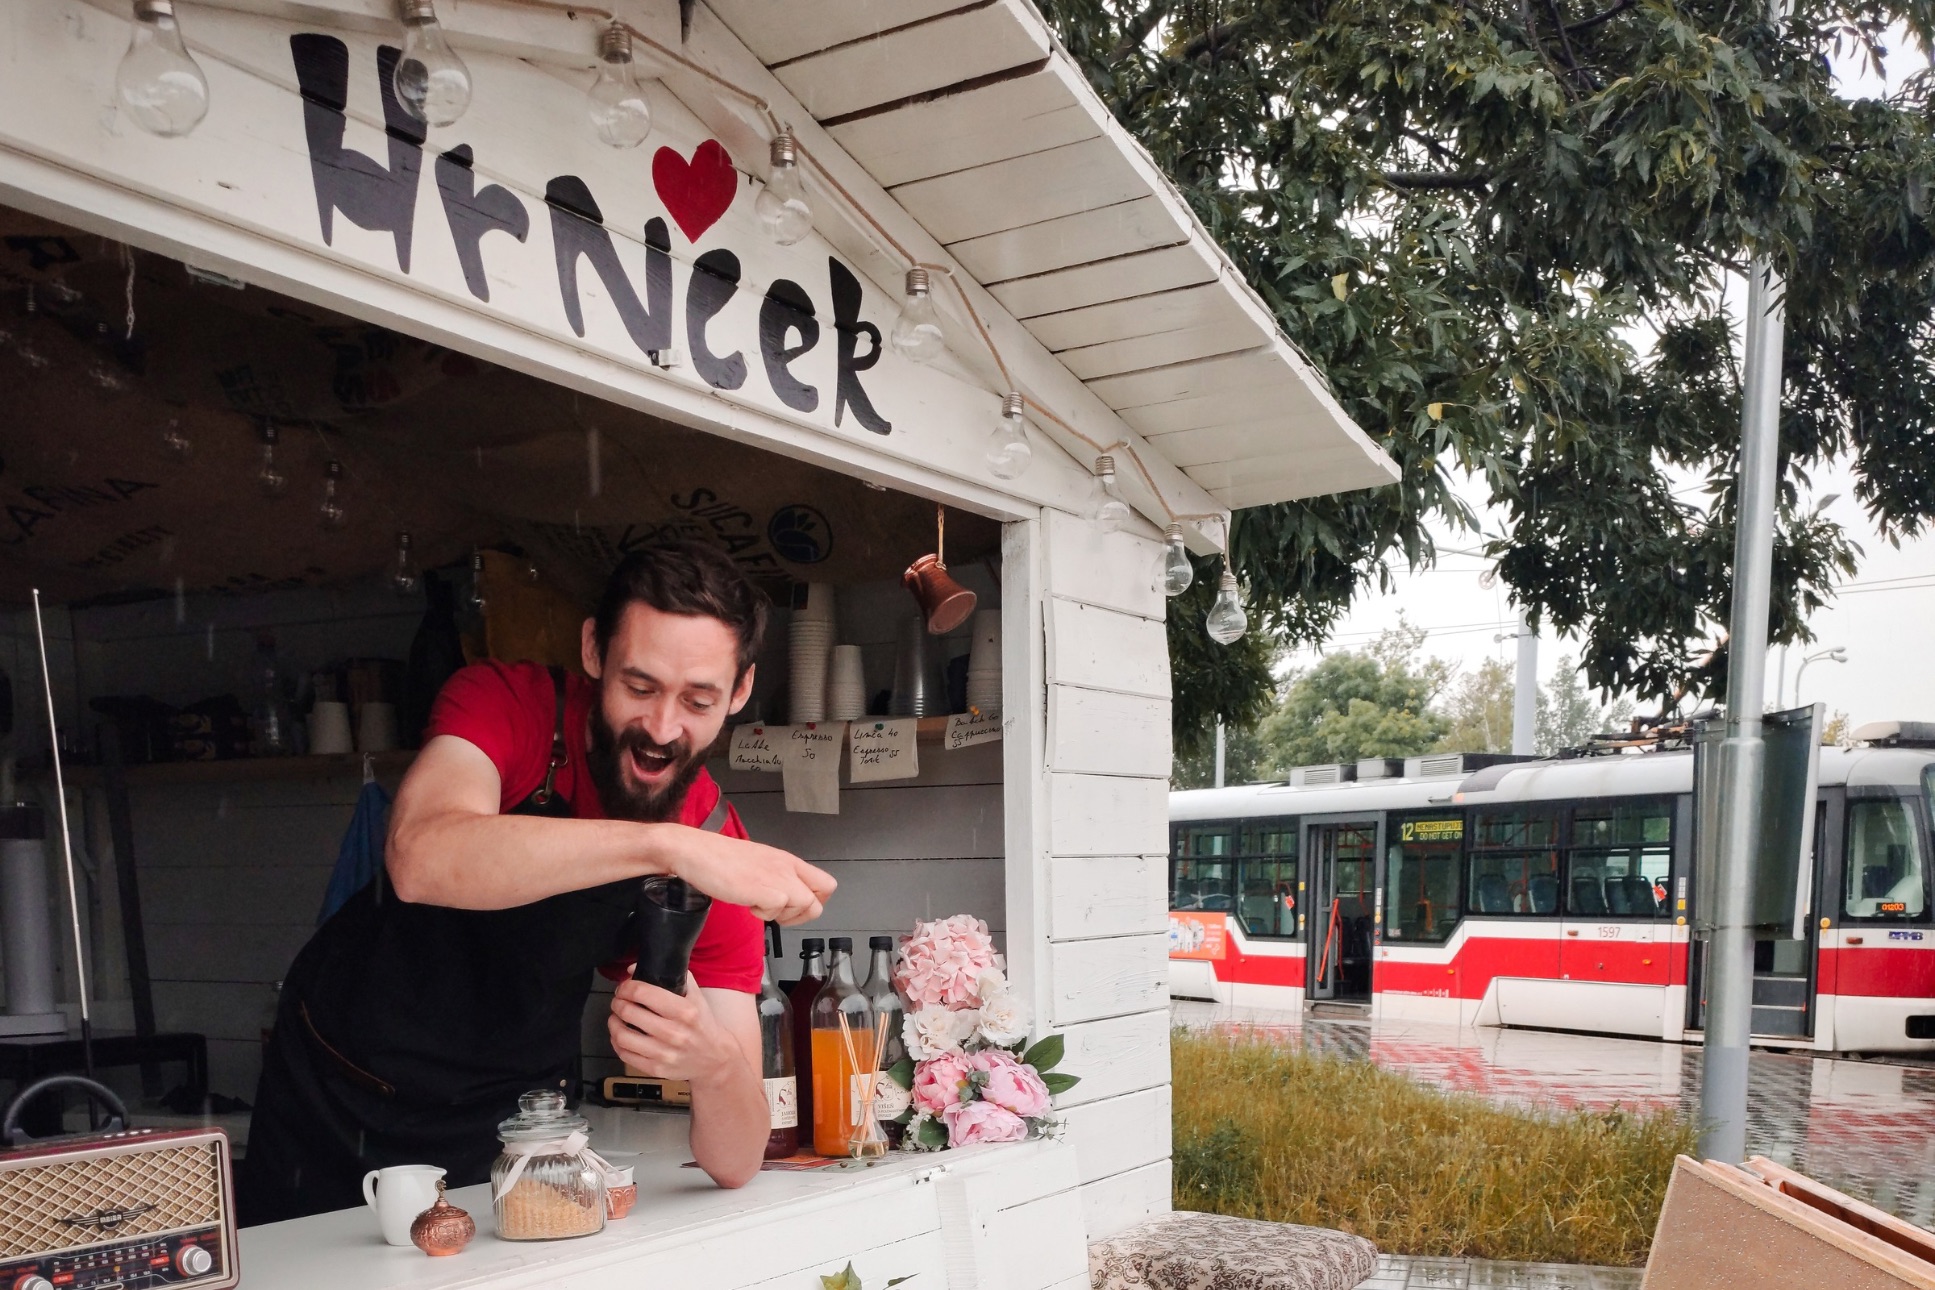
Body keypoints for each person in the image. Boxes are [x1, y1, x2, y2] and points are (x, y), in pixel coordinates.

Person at [241, 543, 835, 1225]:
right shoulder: (507, 703)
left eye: (698, 700)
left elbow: (737, 1161)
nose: (662, 729)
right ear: (593, 650)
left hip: (515, 1126)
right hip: (336, 1090)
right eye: (639, 688)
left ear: (740, 692)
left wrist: (716, 1066)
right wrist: (662, 844)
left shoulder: (708, 835)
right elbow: (420, 857)